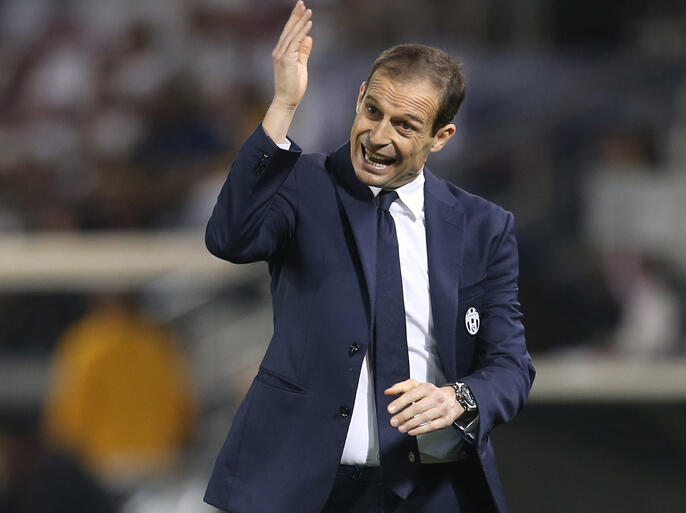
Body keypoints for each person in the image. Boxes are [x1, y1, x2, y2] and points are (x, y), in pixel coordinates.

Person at [203, 2, 535, 513]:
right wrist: (284, 105)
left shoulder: (484, 227)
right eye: (373, 111)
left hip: (434, 491)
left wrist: (458, 398)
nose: (378, 137)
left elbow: (510, 365)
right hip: (307, 490)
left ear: (441, 137)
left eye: (405, 125)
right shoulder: (304, 183)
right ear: (359, 98)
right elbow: (229, 237)